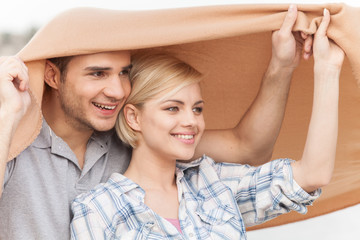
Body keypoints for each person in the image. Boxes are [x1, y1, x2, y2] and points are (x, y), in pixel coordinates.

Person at [0, 5, 311, 240]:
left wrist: (281, 67)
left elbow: (247, 147)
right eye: (98, 73)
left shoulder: (131, 138)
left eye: (123, 72)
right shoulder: (13, 138)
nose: (118, 90)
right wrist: (9, 113)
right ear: (53, 76)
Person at [70, 8, 344, 239]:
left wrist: (327, 68)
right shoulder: (97, 210)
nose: (191, 121)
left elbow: (312, 175)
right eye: (172, 108)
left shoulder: (213, 183)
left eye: (197, 109)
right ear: (133, 117)